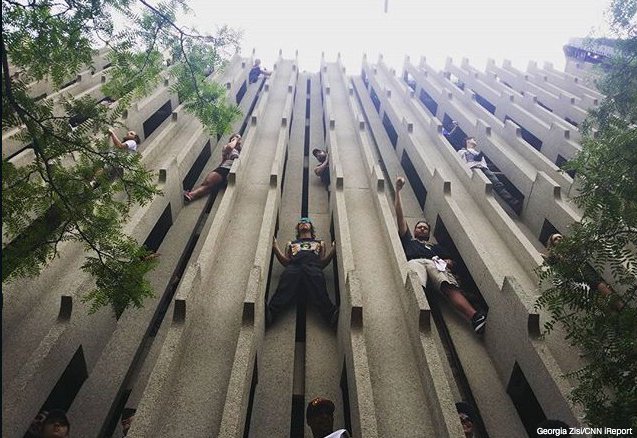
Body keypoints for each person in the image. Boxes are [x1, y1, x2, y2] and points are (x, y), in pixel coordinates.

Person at [394, 176, 487, 334]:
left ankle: (474, 317)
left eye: (425, 228)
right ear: (415, 231)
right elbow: (400, 217)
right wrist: (397, 191)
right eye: (419, 227)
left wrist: (448, 262)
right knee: (415, 281)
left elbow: (452, 262)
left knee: (446, 284)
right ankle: (413, 313)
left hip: (434, 263)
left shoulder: (436, 247)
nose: (422, 229)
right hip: (415, 261)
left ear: (429, 233)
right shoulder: (409, 240)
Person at [267, 218, 339, 327]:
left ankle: (331, 315)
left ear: (311, 226)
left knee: (319, 289)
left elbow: (322, 262)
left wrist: (333, 251)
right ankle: (270, 313)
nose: (303, 223)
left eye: (306, 222)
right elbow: (286, 262)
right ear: (298, 228)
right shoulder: (291, 244)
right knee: (284, 288)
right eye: (300, 223)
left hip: (313, 268)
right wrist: (276, 247)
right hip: (294, 267)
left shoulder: (320, 243)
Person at [543, 233, 620, 308]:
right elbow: (551, 263)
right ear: (553, 244)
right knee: (595, 297)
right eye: (555, 239)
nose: (558, 239)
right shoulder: (555, 256)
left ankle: (620, 306)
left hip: (585, 269)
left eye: (559, 237)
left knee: (600, 285)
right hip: (577, 278)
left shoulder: (572, 246)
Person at [458, 135, 521, 213]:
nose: (475, 141)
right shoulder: (462, 151)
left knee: (498, 185)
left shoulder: (476, 152)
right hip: (474, 170)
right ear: (468, 141)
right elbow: (466, 161)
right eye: (473, 139)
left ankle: (514, 204)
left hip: (484, 169)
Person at [184, 133, 242, 202]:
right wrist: (235, 140)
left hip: (231, 171)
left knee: (209, 185)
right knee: (208, 185)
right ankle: (191, 195)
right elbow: (229, 149)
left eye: (239, 138)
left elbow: (224, 160)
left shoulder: (240, 151)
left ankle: (191, 195)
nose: (239, 139)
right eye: (237, 137)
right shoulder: (228, 146)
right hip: (225, 169)